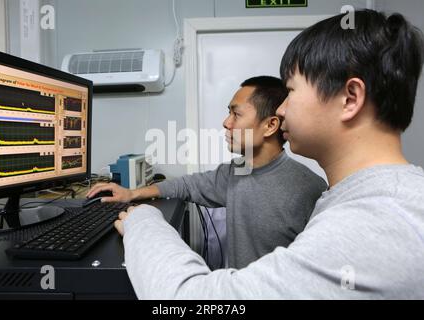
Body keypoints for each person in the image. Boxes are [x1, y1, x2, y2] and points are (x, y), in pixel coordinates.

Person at [112, 10, 424, 299]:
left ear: (350, 98)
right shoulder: (372, 199)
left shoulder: (373, 225)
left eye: (290, 91)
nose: (283, 108)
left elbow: (192, 300)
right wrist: (133, 193)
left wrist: (144, 221)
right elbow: (193, 184)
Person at [88, 76, 327, 269]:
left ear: (270, 125)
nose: (226, 122)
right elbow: (189, 185)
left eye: (237, 113)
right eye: (228, 112)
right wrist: (131, 194)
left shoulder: (309, 190)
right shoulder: (238, 171)